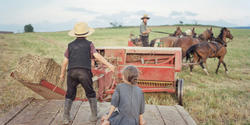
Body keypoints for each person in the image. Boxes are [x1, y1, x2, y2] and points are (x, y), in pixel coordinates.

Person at [59, 22, 115, 124]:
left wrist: (62, 74)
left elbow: (64, 62)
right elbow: (97, 56)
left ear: (75, 34)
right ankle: (93, 116)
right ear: (87, 34)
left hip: (71, 72)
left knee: (70, 94)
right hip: (84, 72)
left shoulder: (70, 45)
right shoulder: (89, 44)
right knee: (90, 93)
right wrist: (109, 65)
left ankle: (66, 117)